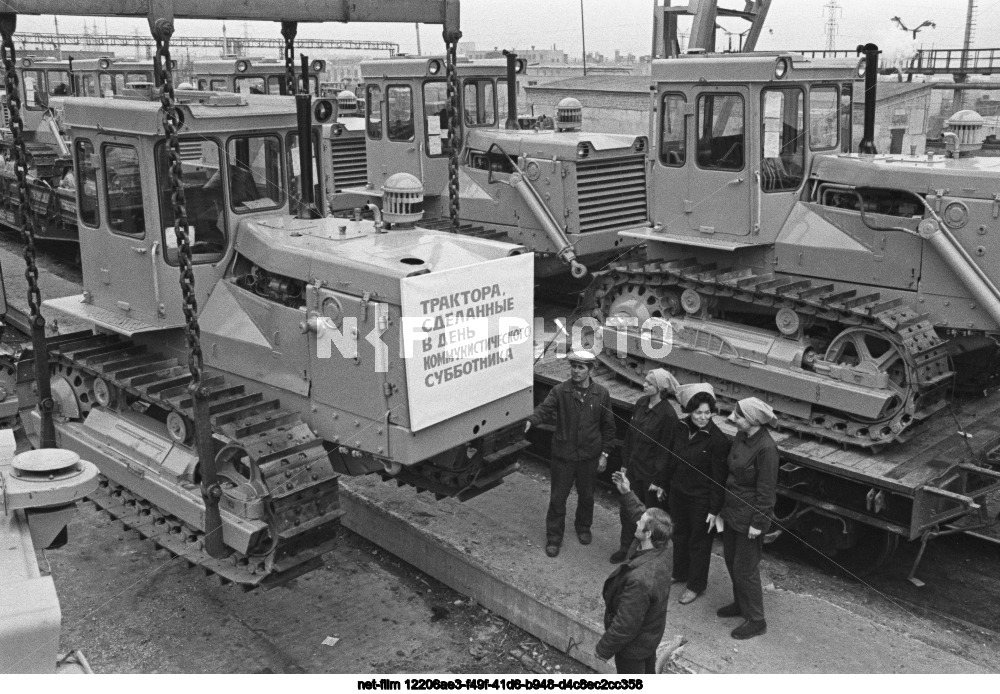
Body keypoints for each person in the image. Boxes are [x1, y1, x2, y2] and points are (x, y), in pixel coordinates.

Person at [525, 350, 615, 558]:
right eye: (573, 366)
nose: (575, 371)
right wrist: (531, 420)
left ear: (590, 370)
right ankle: (554, 538)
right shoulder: (559, 391)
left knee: (587, 496)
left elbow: (609, 427)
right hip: (563, 456)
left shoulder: (601, 394)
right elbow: (544, 409)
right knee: (558, 498)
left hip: (589, 457)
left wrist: (605, 454)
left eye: (581, 367)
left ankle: (583, 527)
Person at [595, 470, 673, 674]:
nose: (637, 522)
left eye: (641, 523)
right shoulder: (664, 545)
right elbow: (642, 514)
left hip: (632, 647)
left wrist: (603, 649)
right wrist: (627, 492)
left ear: (647, 534)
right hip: (650, 636)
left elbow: (625, 624)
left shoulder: (640, 579)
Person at [716, 397, 779, 640]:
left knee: (746, 569)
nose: (734, 417)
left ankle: (756, 619)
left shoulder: (766, 449)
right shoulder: (743, 437)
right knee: (732, 561)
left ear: (752, 420)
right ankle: (741, 604)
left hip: (749, 518)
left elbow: (766, 492)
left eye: (738, 415)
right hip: (733, 511)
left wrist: (758, 524)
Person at [666, 383, 731, 605]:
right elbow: (670, 457)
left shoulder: (718, 440)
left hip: (701, 500)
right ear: (689, 412)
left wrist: (714, 510)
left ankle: (695, 585)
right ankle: (679, 572)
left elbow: (718, 479)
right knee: (679, 535)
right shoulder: (680, 427)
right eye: (698, 413)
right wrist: (663, 483)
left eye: (706, 412)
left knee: (699, 542)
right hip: (678, 493)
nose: (703, 417)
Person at [610, 368, 679, 564]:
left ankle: (642, 555)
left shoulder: (668, 415)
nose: (644, 385)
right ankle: (625, 548)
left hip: (650, 476)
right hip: (633, 469)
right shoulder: (641, 404)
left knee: (646, 516)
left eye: (649, 383)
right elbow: (630, 437)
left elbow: (666, 451)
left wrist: (658, 480)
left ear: (659, 388)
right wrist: (624, 465)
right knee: (627, 510)